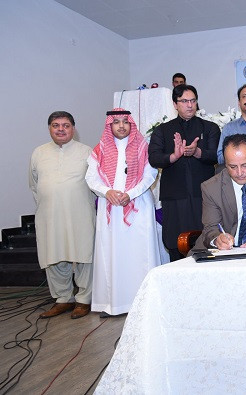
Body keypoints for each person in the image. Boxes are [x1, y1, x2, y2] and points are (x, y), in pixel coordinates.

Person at [86, 109, 162, 316]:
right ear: (109, 126)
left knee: (140, 253)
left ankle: (144, 304)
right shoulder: (100, 150)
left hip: (138, 205)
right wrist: (107, 192)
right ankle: (115, 304)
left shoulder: (143, 147)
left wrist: (131, 193)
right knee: (113, 253)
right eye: (116, 122)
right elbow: (91, 178)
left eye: (125, 122)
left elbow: (150, 175)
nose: (121, 126)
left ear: (131, 124)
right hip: (110, 206)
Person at [30, 111, 96, 319]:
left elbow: (96, 183)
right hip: (49, 214)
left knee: (84, 255)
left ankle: (84, 299)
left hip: (80, 213)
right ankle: (63, 299)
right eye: (56, 125)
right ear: (49, 128)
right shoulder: (38, 153)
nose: (61, 129)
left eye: (65, 125)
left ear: (73, 129)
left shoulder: (87, 152)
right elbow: (34, 184)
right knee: (53, 255)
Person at [148, 84, 221, 261]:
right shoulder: (162, 130)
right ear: (175, 104)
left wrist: (197, 152)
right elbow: (154, 158)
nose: (189, 105)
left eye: (193, 101)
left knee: (206, 243)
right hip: (175, 197)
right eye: (184, 101)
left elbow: (217, 156)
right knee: (176, 244)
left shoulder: (210, 128)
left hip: (203, 196)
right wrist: (174, 156)